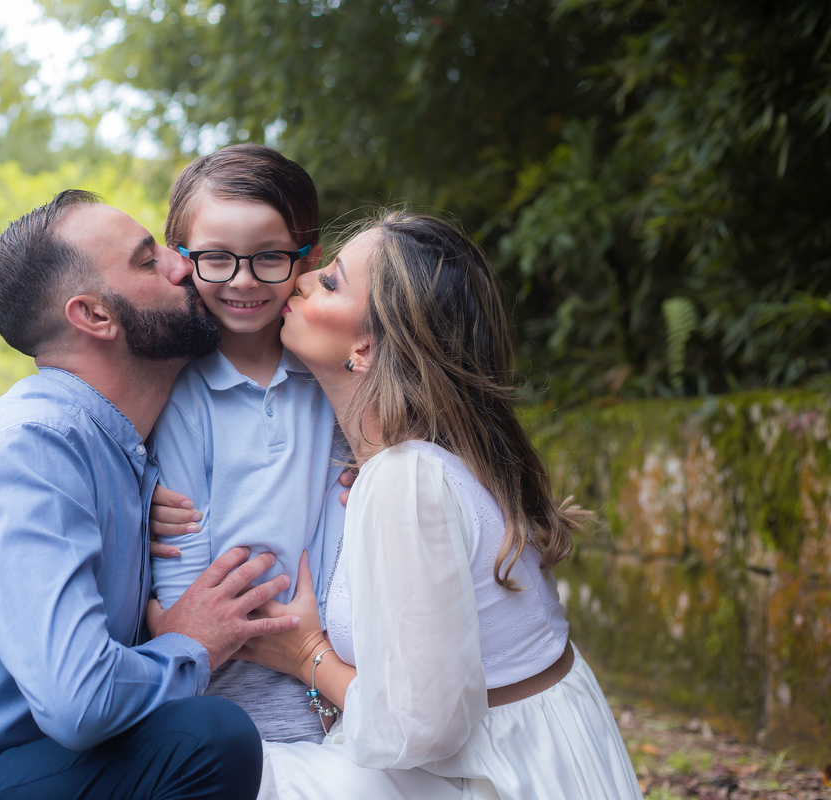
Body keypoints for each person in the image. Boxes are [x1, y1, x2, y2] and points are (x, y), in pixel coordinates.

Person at [0, 190, 302, 800]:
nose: (183, 264)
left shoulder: (123, 451)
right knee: (206, 739)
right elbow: (82, 703)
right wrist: (190, 643)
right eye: (148, 260)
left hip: (18, 772)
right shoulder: (34, 443)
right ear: (94, 316)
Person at [226, 210, 644, 799]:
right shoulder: (428, 462)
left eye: (331, 281)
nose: (302, 278)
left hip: (496, 778)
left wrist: (308, 656)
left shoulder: (406, 478)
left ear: (366, 348)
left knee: (220, 769)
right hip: (542, 752)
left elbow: (422, 727)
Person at [146, 144, 344, 744]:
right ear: (182, 259)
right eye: (216, 258)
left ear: (307, 258)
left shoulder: (335, 371)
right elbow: (182, 570)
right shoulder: (176, 389)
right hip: (224, 699)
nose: (243, 280)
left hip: (337, 678)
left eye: (269, 257)